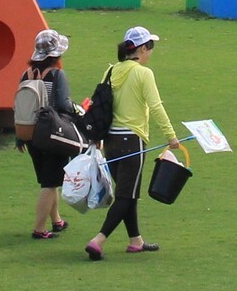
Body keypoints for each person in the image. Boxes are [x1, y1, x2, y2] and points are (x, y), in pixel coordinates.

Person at [86, 25, 181, 261]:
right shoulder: (143, 74)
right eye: (150, 47)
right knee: (126, 196)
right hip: (132, 141)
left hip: (111, 141)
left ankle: (135, 240)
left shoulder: (111, 71)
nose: (151, 52)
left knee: (128, 192)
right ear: (141, 49)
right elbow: (156, 106)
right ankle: (99, 240)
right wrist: (171, 136)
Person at [20, 29, 76, 239]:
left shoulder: (26, 74)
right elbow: (63, 104)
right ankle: (39, 229)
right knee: (50, 183)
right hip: (53, 133)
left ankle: (57, 220)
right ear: (56, 55)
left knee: (48, 179)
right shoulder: (57, 75)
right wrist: (78, 108)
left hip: (31, 133)